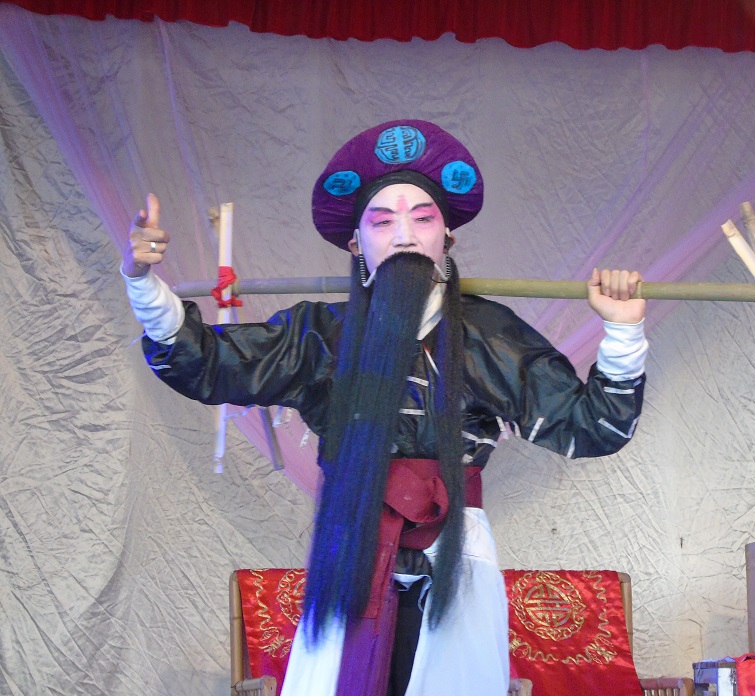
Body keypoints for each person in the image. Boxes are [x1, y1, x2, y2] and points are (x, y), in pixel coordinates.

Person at [121, 120, 648, 696]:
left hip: (455, 556)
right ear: (356, 243)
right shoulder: (319, 335)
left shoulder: (488, 334)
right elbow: (205, 362)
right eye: (382, 222)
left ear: (447, 238)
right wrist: (142, 281)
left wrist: (623, 332)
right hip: (351, 553)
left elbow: (594, 426)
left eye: (423, 219)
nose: (404, 236)